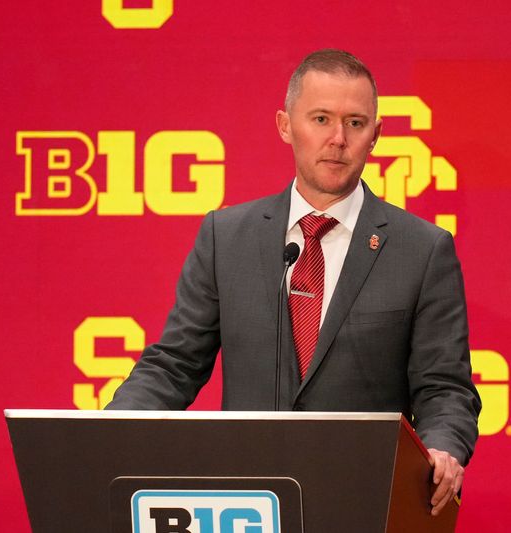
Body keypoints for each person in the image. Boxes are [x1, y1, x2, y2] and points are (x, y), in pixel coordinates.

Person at [107, 48, 480, 516]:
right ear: (285, 125)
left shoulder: (423, 250)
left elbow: (445, 388)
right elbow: (175, 364)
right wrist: (112, 431)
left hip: (365, 501)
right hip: (246, 502)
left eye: (356, 123)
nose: (337, 139)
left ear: (376, 136)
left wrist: (442, 448)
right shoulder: (227, 237)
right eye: (321, 118)